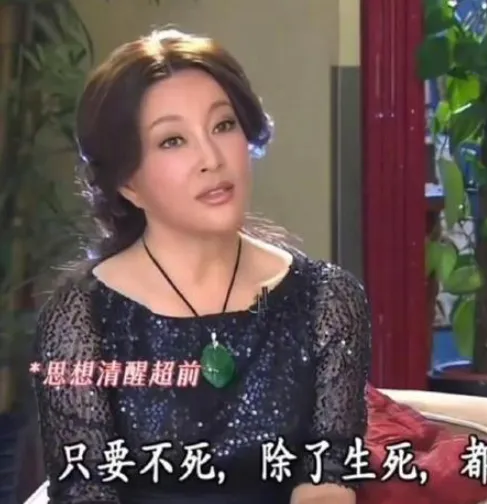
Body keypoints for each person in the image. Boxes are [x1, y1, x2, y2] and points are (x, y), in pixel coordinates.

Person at [32, 28, 371, 504]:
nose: (211, 158)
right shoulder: (81, 320)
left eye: (223, 125)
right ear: (128, 183)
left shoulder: (327, 300)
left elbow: (330, 476)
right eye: (173, 140)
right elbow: (84, 490)